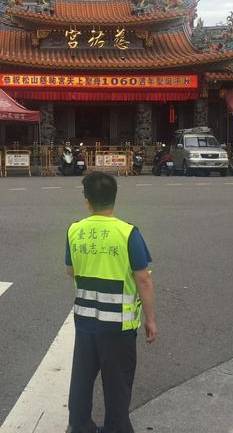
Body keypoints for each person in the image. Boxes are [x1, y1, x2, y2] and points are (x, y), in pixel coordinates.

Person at [66, 171, 157, 433]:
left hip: (85, 323)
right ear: (114, 199)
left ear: (87, 201)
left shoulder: (75, 230)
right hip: (119, 326)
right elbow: (143, 279)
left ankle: (80, 426)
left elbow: (70, 270)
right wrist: (150, 319)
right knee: (117, 386)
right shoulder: (128, 233)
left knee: (81, 380)